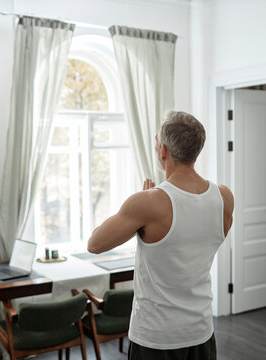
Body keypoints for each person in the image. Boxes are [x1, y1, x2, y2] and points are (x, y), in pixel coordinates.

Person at [87, 111, 234, 360]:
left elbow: (95, 243)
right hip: (201, 332)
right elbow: (192, 243)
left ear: (163, 151)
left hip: (156, 338)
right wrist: (150, 206)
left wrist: (144, 206)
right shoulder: (224, 197)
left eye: (156, 143)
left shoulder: (148, 203)